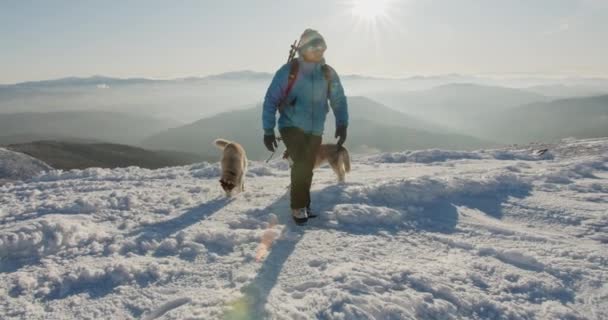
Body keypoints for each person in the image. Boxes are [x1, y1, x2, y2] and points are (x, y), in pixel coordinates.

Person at [262, 28, 349, 224]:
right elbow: (271, 100)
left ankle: (304, 203)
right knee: (301, 161)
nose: (320, 51)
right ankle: (298, 207)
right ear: (304, 48)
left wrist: (342, 123)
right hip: (290, 125)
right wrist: (268, 130)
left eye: (322, 47)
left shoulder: (327, 73)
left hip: (315, 128)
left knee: (307, 166)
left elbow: (338, 99)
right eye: (315, 46)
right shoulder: (288, 72)